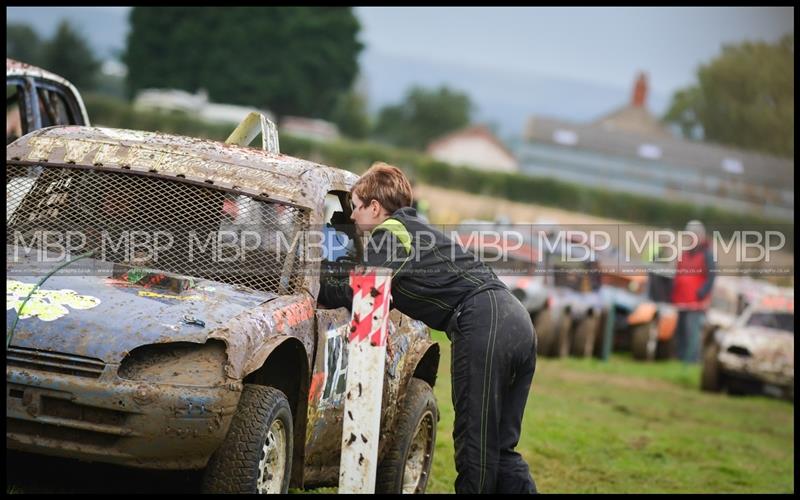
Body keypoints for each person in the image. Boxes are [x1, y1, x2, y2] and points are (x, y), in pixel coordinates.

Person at [318, 162, 537, 494]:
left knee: (475, 445)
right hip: (516, 320)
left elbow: (365, 292)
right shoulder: (412, 230)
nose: (352, 219)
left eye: (356, 207)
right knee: (501, 450)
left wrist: (314, 280)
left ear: (374, 207)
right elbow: (385, 294)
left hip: (484, 320)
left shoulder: (388, 232)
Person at [671, 220, 715, 363]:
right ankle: (680, 359)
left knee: (692, 333)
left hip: (696, 303)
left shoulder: (707, 254)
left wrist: (702, 293)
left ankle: (692, 362)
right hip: (681, 300)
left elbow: (712, 276)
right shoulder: (684, 254)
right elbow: (677, 273)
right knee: (680, 332)